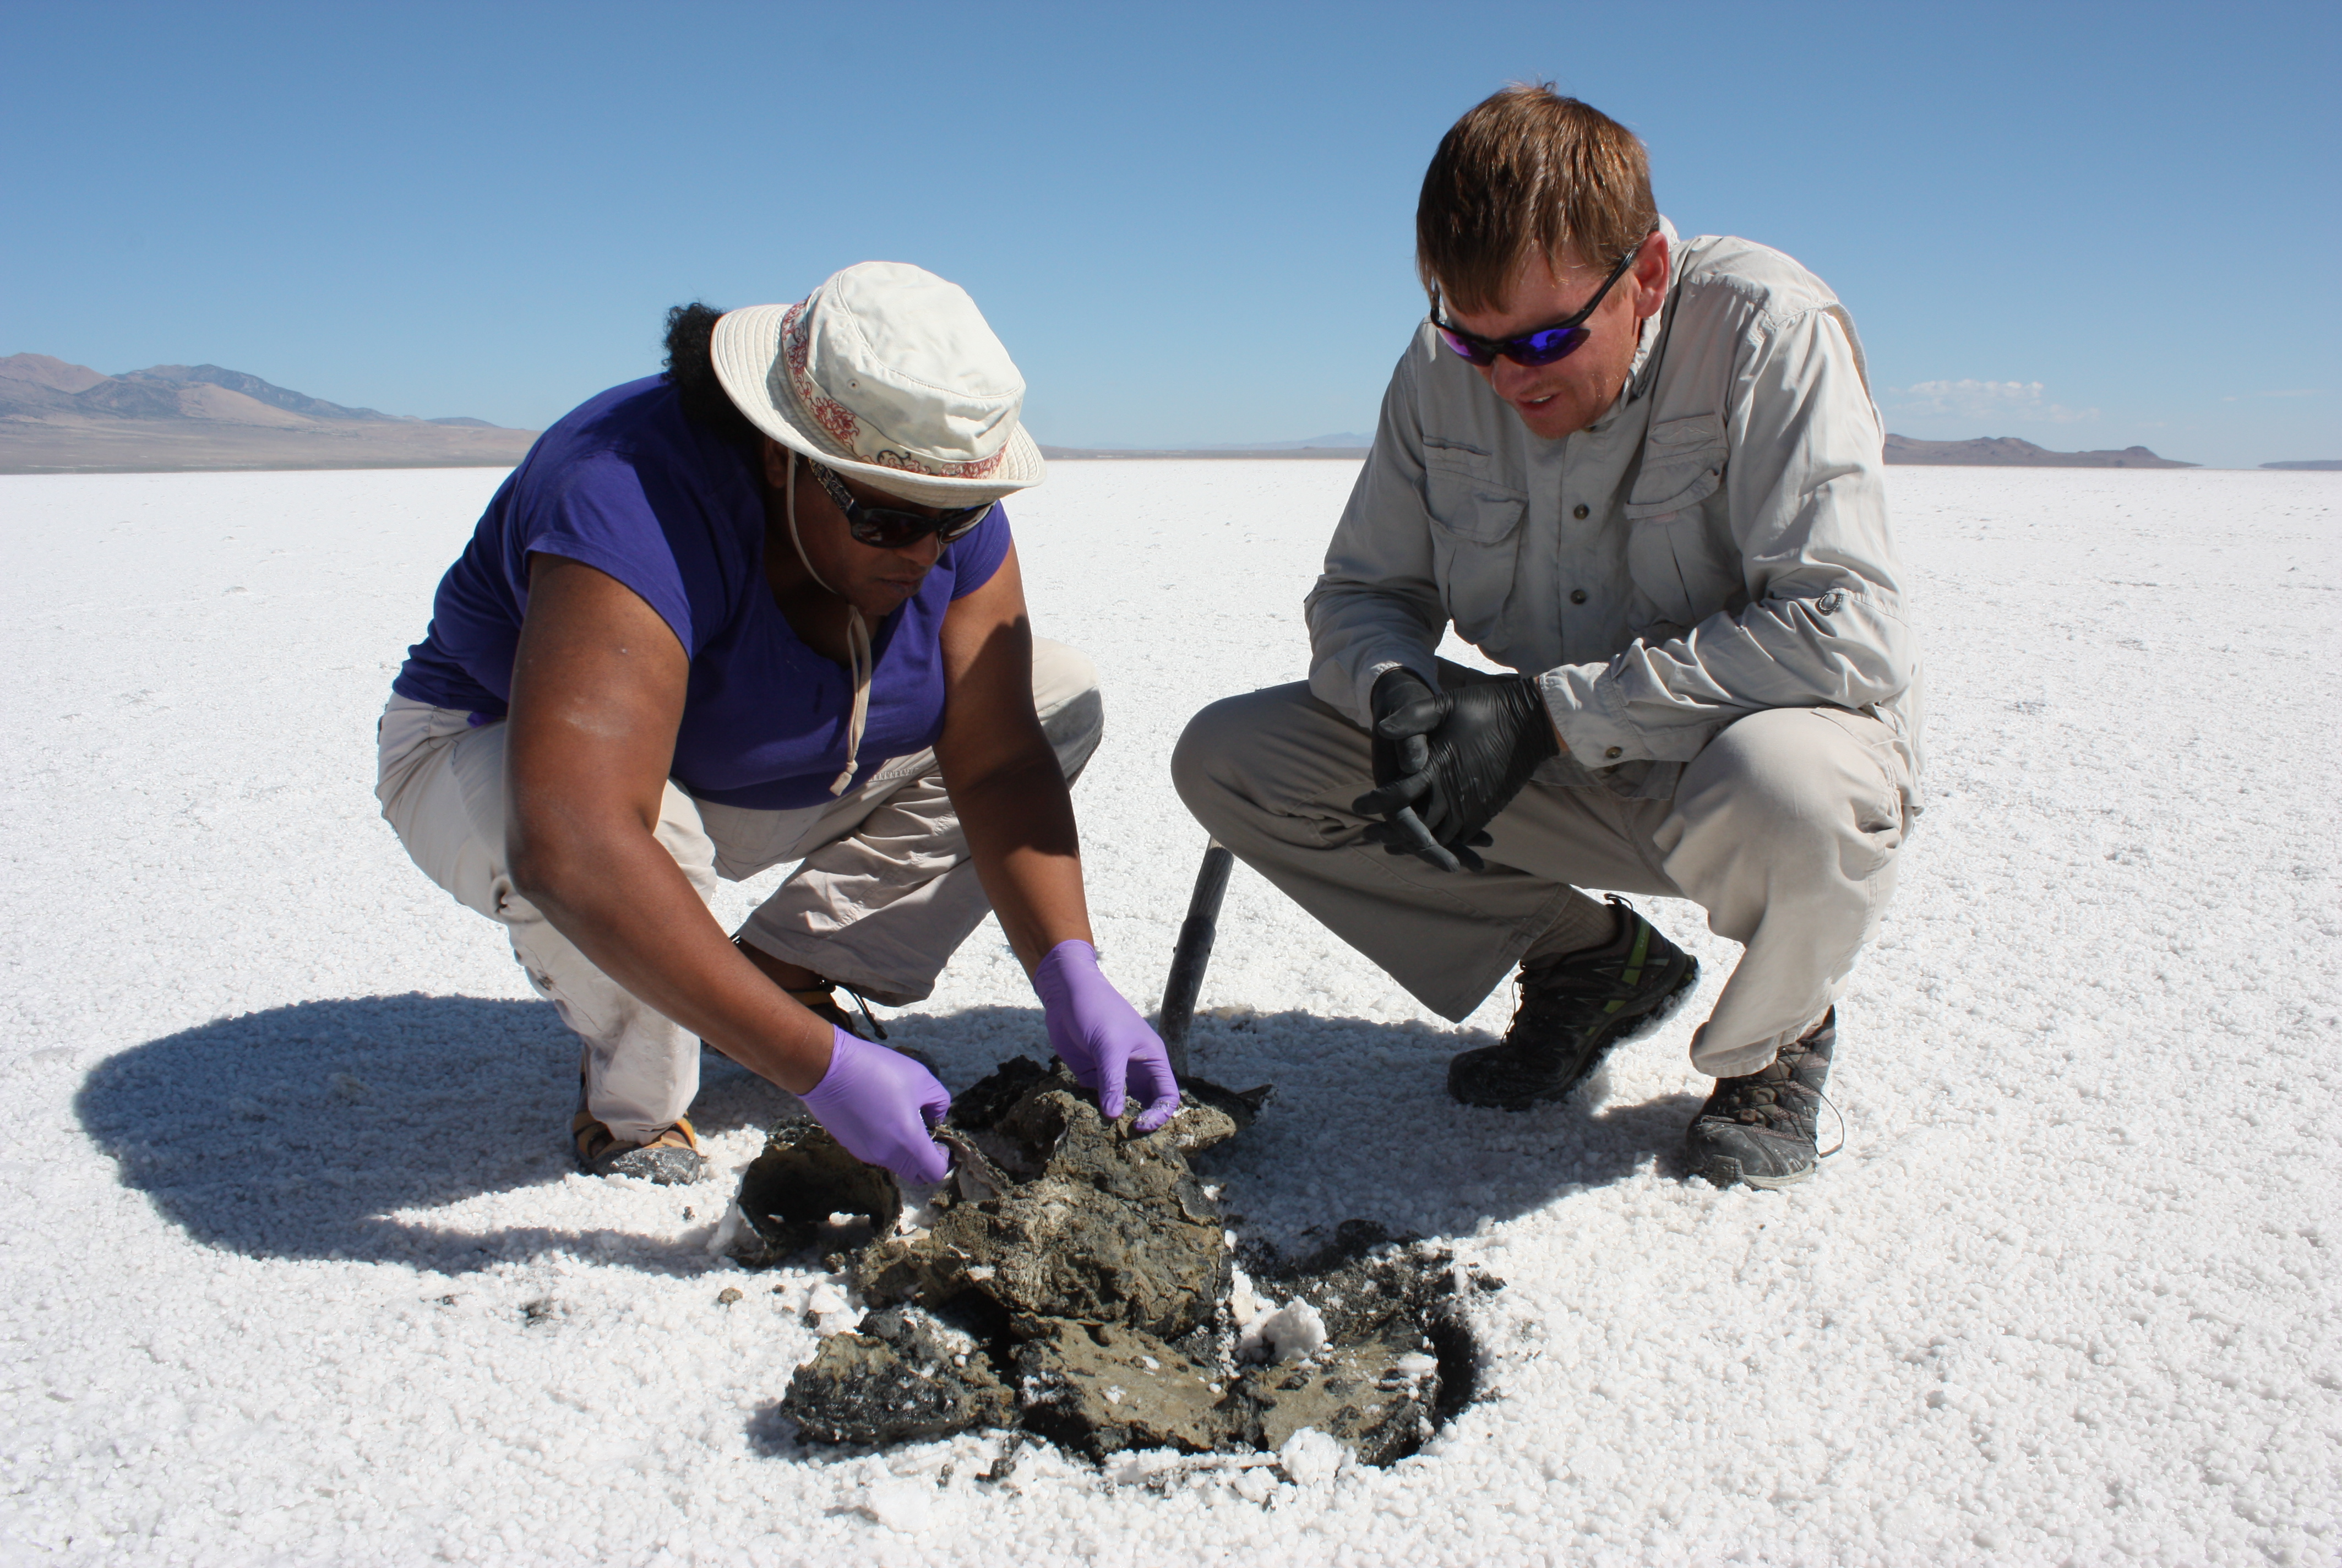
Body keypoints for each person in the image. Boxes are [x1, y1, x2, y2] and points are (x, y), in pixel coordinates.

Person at [1173, 87, 1921, 1189]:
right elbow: (1362, 594)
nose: (1511, 377)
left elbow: (1847, 635)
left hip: (1738, 772)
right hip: (1552, 773)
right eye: (1476, 345)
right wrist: (1396, 693)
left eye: (1547, 339)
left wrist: (1545, 715)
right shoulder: (1443, 372)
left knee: (1793, 788)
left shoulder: (1768, 330)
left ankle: (1780, 1031)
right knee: (1235, 759)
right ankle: (1586, 960)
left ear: (1649, 277)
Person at [377, 262, 1178, 1187]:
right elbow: (576, 837)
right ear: (781, 455)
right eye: (887, 518)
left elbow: (998, 760)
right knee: (649, 842)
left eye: (956, 522)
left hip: (765, 766)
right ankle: (636, 1117)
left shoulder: (934, 499)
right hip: (502, 761)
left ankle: (782, 973)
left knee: (1053, 690)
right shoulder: (628, 491)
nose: (924, 554)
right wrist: (818, 1069)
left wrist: (1070, 970)